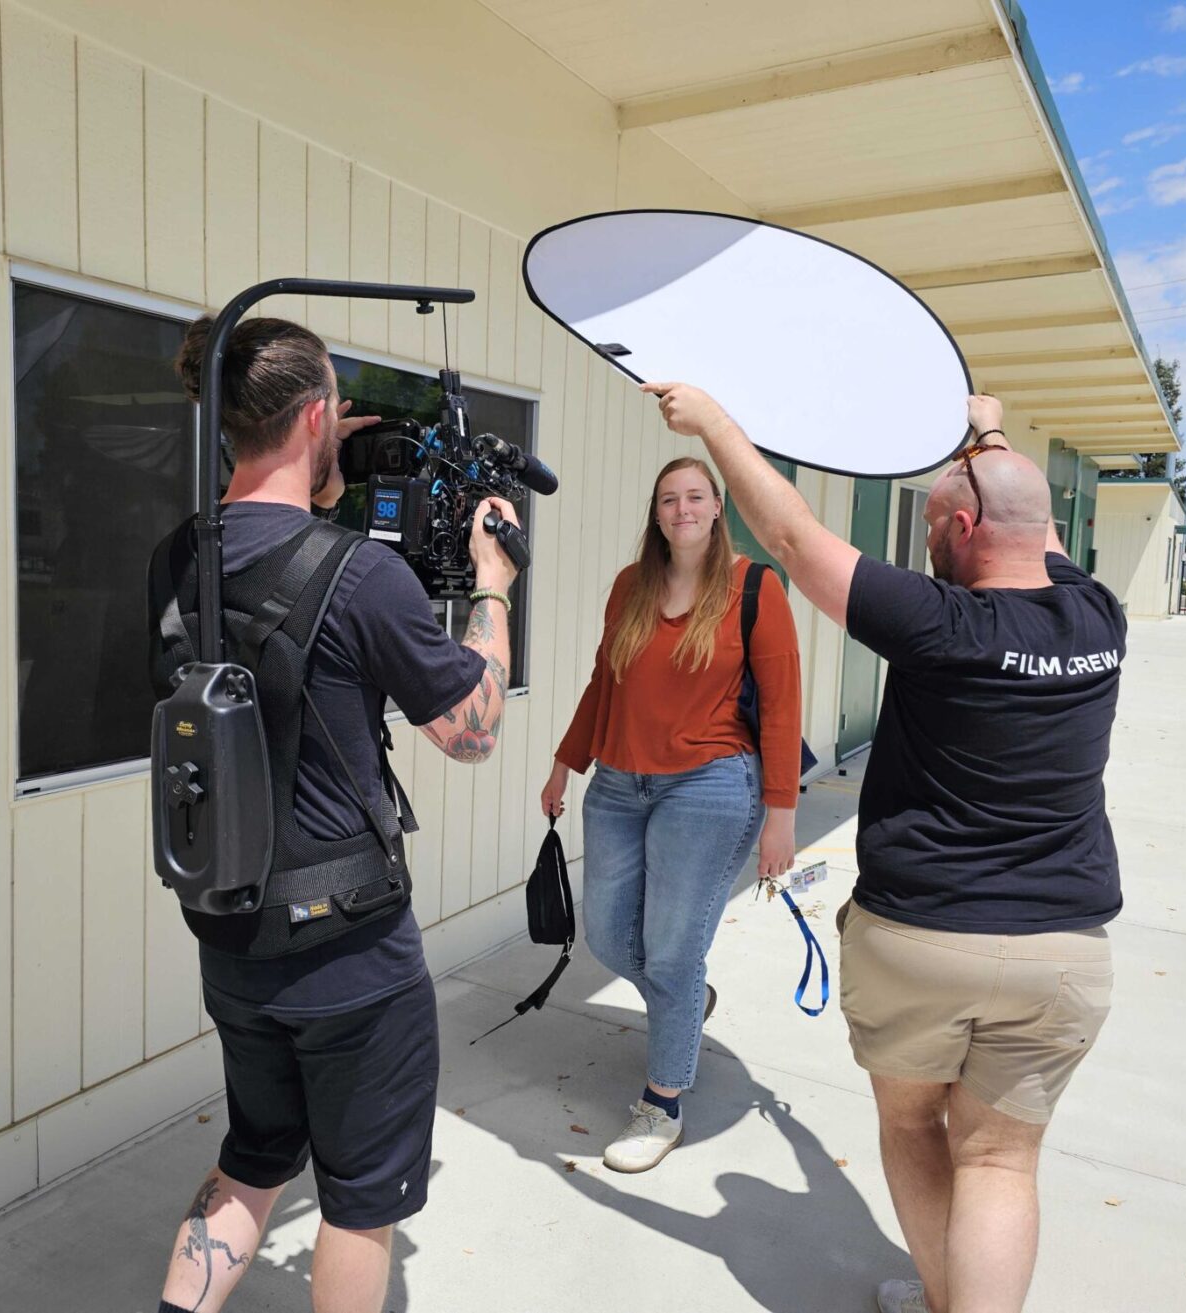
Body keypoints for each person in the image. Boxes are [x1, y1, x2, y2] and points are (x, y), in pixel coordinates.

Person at [645, 384, 1124, 1313]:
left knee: (914, 1126)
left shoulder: (938, 622)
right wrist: (987, 431)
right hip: (1061, 954)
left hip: (921, 939)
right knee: (999, 1159)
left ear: (962, 526)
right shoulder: (1097, 617)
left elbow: (788, 537)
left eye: (938, 525)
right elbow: (1031, 525)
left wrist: (715, 425)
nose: (930, 542)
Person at [147, 315, 520, 1313]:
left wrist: (316, 470)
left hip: (231, 932)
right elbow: (471, 732)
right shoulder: (364, 574)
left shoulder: (179, 558)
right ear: (317, 413)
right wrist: (491, 589)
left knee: (252, 1159)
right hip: (351, 952)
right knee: (359, 1201)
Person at [540, 455, 802, 1174]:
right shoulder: (631, 586)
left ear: (718, 507)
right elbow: (606, 679)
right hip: (620, 784)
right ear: (655, 513)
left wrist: (782, 813)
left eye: (695, 497)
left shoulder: (755, 588)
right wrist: (568, 759)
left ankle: (663, 1102)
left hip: (710, 786)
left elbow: (781, 707)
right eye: (667, 499)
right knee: (609, 935)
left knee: (672, 948)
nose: (681, 508)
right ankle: (687, 1002)